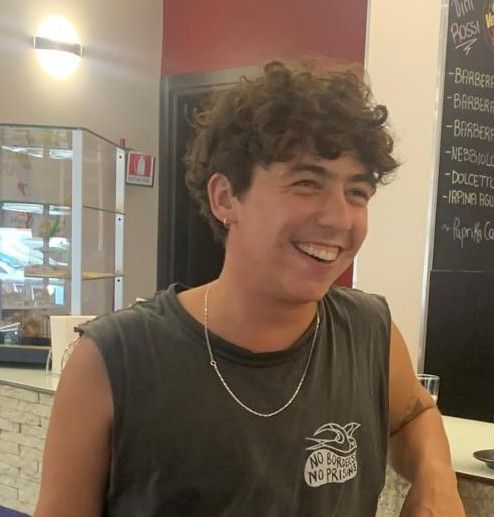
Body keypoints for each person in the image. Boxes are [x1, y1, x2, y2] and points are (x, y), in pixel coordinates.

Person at [34, 60, 465, 516]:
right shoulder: (113, 360)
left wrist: (435, 476)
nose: (339, 217)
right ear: (225, 198)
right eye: (306, 183)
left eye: (356, 193)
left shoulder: (369, 333)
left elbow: (415, 413)